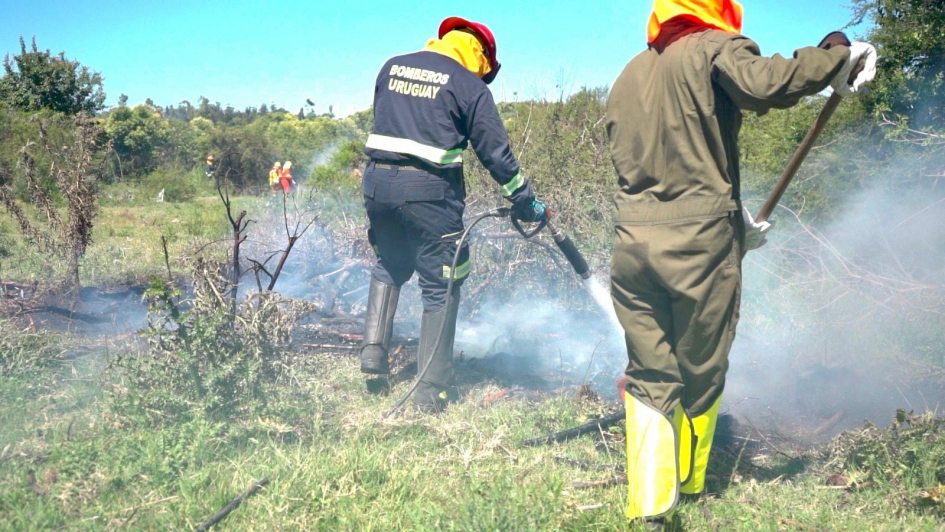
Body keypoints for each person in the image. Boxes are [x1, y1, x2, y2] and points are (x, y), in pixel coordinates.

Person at [604, 0, 876, 526]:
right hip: (698, 247)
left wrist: (736, 219)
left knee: (648, 374)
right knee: (702, 369)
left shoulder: (629, 74)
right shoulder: (713, 48)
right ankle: (690, 484)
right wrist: (836, 52)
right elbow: (765, 84)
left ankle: (650, 510)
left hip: (632, 244)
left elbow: (660, 165)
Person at [359, 16, 548, 411]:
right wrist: (524, 200)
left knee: (390, 263)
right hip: (428, 192)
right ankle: (432, 390)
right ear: (480, 55)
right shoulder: (467, 85)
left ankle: (373, 357)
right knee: (441, 283)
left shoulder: (391, 66)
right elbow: (495, 154)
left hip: (377, 184)